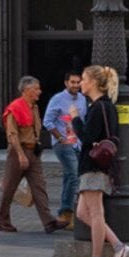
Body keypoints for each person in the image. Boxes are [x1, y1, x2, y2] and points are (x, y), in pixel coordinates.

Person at [68, 64, 129, 257]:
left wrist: (75, 118)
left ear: (94, 82)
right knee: (82, 212)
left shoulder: (99, 107)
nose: (81, 83)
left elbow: (87, 138)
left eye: (84, 79)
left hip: (93, 166)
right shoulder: (104, 106)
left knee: (95, 213)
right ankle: (118, 246)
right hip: (94, 167)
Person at [0, 76, 50, 232]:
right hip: (19, 151)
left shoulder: (35, 107)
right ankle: (3, 220)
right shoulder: (15, 108)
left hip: (34, 151)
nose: (40, 92)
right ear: (26, 90)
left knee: (39, 187)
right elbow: (12, 135)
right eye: (36, 89)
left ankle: (49, 221)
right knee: (9, 188)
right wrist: (20, 155)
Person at [45, 68, 89, 220]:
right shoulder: (57, 99)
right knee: (74, 175)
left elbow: (82, 120)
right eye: (73, 82)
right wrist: (60, 137)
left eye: (78, 82)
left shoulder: (83, 99)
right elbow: (47, 121)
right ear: (66, 83)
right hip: (63, 143)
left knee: (69, 176)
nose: (76, 85)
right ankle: (67, 212)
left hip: (77, 143)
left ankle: (65, 211)